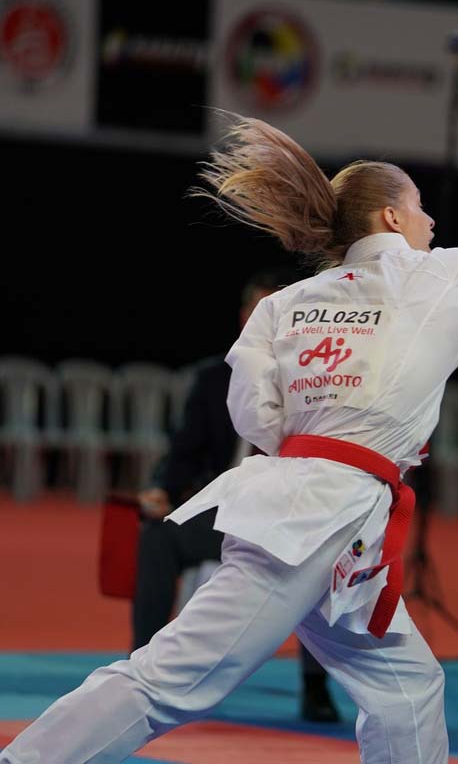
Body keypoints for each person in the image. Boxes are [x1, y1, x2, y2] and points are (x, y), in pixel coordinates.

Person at [0, 115, 458, 764]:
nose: (430, 220)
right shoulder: (438, 279)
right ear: (391, 215)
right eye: (419, 207)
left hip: (313, 511)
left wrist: (327, 434)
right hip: (321, 515)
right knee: (170, 678)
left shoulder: (284, 303)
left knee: (406, 688)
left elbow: (253, 415)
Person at [131, 271, 340, 723]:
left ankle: (316, 687)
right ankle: (143, 668)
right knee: (159, 536)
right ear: (245, 317)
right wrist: (162, 488)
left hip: (293, 514)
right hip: (227, 512)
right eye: (259, 311)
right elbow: (184, 450)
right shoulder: (213, 378)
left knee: (324, 555)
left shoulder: (321, 378)